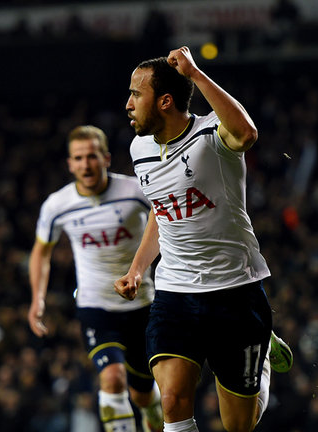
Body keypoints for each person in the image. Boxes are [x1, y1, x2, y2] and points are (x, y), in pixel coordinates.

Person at [114, 46, 293, 432]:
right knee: (174, 400)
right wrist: (137, 269)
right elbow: (161, 211)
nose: (127, 104)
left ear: (164, 101)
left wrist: (194, 74)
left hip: (234, 289)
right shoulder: (139, 148)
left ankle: (260, 360)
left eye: (135, 94)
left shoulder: (212, 134)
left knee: (238, 426)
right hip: (176, 290)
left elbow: (247, 133)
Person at [28, 125, 163, 432]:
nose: (85, 164)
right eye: (78, 158)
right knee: (112, 378)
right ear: (70, 164)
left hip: (143, 305)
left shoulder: (135, 191)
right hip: (96, 307)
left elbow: (164, 223)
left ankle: (153, 414)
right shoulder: (57, 205)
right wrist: (37, 299)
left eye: (92, 156)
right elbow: (41, 252)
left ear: (106, 158)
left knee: (144, 395)